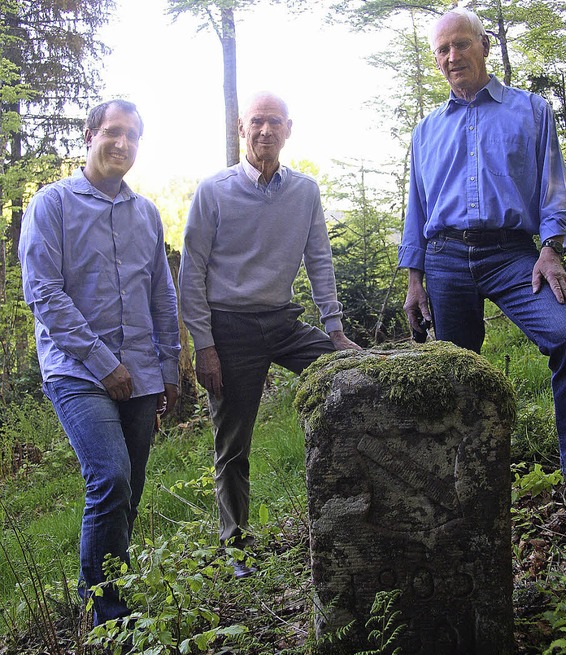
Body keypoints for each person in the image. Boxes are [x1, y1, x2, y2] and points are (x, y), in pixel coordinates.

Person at [399, 8, 566, 499]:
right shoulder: (425, 131)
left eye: (461, 44)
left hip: (513, 255)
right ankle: (463, 486)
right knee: (454, 371)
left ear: (484, 45)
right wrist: (414, 278)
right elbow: (416, 207)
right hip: (443, 259)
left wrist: (551, 249)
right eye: (442, 50)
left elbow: (555, 187)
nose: (451, 57)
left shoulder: (530, 110)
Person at [179, 91, 360, 576]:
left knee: (356, 371)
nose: (264, 131)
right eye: (256, 122)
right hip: (229, 329)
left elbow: (319, 259)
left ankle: (358, 494)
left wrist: (335, 330)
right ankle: (234, 545)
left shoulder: (304, 192)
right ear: (242, 129)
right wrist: (204, 346)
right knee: (233, 444)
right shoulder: (213, 192)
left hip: (283, 323)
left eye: (274, 122)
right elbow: (191, 271)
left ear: (288, 129)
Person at [18, 99, 181, 624]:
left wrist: (170, 367)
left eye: (133, 135)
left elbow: (163, 295)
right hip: (76, 370)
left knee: (127, 492)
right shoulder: (52, 206)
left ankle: (116, 590)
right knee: (109, 478)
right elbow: (43, 293)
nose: (123, 143)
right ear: (89, 136)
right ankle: (106, 617)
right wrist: (102, 361)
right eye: (113, 132)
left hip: (141, 371)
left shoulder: (146, 213)